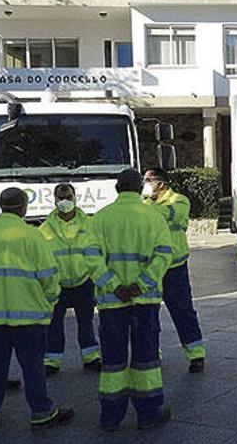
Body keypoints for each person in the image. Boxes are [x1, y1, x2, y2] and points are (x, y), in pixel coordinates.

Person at [0, 188, 74, 428]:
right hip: (29, 317)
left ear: (1, 206)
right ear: (24, 208)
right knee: (33, 367)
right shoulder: (33, 237)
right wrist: (50, 301)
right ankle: (41, 411)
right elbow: (49, 279)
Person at [91, 169, 174, 431]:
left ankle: (110, 418)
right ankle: (149, 414)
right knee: (146, 358)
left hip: (111, 303)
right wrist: (141, 284)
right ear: (140, 189)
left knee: (113, 361)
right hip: (144, 301)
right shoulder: (153, 217)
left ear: (117, 188)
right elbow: (163, 256)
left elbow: (91, 259)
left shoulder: (101, 218)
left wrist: (114, 286)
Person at [142, 168, 207, 373]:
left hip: (174, 267)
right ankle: (152, 352)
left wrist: (136, 208)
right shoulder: (144, 204)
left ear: (161, 182)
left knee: (183, 311)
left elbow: (169, 215)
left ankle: (196, 354)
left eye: (148, 180)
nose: (145, 183)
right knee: (149, 313)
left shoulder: (179, 201)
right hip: (151, 267)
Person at [39, 183, 107, 375]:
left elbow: (99, 252)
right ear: (54, 200)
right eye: (61, 198)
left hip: (83, 281)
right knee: (54, 325)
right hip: (57, 285)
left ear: (76, 197)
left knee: (86, 322)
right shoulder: (45, 229)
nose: (65, 201)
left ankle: (91, 357)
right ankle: (52, 360)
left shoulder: (90, 224)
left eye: (68, 197)